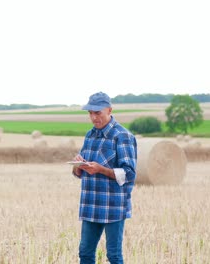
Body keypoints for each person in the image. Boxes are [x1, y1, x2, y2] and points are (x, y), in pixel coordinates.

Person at [71, 91, 137, 264]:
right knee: (84, 254)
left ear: (109, 110)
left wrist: (101, 169)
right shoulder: (90, 135)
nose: (93, 117)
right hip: (90, 203)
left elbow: (129, 173)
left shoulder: (122, 136)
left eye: (97, 112)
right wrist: (78, 167)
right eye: (90, 113)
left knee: (113, 256)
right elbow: (80, 173)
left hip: (113, 206)